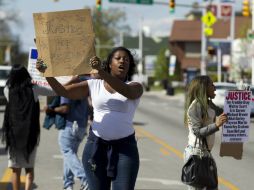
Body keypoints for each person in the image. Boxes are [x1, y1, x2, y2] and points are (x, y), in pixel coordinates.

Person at [36, 46, 143, 190]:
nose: (122, 61)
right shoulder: (93, 84)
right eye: (118, 58)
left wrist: (101, 72)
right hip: (96, 146)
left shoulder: (135, 86)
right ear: (110, 63)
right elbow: (62, 91)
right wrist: (46, 73)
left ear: (130, 65)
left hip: (125, 150)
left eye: (126, 60)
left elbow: (126, 92)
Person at [1, 64, 55, 190]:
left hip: (13, 135)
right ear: (26, 75)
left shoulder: (7, 90)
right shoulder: (34, 89)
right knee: (29, 169)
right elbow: (54, 90)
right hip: (30, 134)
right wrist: (45, 75)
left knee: (15, 170)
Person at [43, 76, 90, 190]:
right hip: (81, 125)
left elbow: (65, 109)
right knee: (70, 155)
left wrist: (51, 109)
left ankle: (85, 178)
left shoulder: (68, 88)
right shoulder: (84, 84)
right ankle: (68, 185)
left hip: (70, 125)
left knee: (67, 152)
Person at [183, 75, 228, 190]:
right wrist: (216, 125)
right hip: (195, 155)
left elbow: (223, 113)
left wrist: (242, 103)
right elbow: (197, 132)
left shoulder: (208, 104)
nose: (215, 88)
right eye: (212, 85)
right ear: (203, 88)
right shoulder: (195, 107)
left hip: (205, 154)